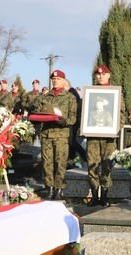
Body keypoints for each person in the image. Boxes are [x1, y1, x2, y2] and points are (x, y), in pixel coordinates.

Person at [86, 64, 125, 207]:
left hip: (109, 138)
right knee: (92, 165)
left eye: (103, 74)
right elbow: (86, 116)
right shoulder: (90, 93)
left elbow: (121, 115)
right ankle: (95, 195)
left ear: (108, 75)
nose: (100, 76)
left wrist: (115, 128)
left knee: (107, 166)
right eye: (98, 74)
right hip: (93, 138)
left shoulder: (116, 93)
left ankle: (105, 196)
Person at [34, 70, 77, 200]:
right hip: (47, 134)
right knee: (47, 163)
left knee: (60, 163)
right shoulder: (44, 97)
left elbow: (73, 117)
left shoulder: (70, 97)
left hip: (61, 135)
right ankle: (49, 189)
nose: (55, 80)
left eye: (58, 78)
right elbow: (36, 111)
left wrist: (65, 121)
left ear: (64, 81)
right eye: (54, 78)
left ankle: (59, 189)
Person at [65, 79, 86, 162]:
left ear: (66, 85)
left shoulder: (71, 94)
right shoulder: (73, 92)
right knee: (71, 140)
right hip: (75, 120)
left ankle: (83, 156)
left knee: (71, 140)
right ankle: (72, 157)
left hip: (74, 120)